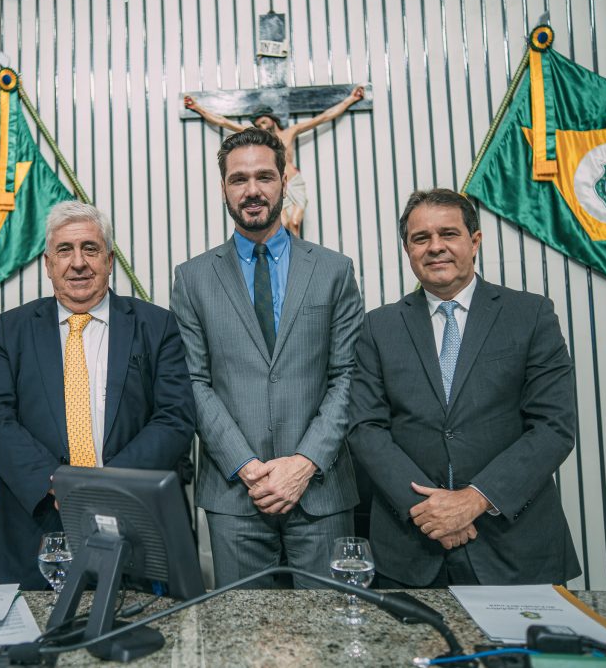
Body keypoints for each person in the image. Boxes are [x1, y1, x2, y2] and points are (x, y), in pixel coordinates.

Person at [350, 188, 581, 587]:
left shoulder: (530, 315)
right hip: (411, 548)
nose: (435, 247)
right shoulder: (379, 326)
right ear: (407, 249)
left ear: (474, 241)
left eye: (448, 234)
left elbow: (553, 427)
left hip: (514, 546)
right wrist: (431, 510)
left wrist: (473, 500)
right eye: (421, 238)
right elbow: (365, 428)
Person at [170, 128, 363, 588]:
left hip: (321, 490)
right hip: (237, 496)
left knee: (331, 637)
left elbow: (348, 375)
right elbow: (194, 381)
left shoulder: (335, 270)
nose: (252, 190)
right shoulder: (192, 278)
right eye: (239, 179)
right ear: (223, 189)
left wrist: (305, 462)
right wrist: (247, 466)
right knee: (244, 643)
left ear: (283, 183)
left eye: (264, 177)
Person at [0, 201, 197, 589]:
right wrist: (57, 483)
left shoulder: (156, 325)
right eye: (65, 250)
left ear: (109, 260)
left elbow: (175, 417)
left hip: (134, 523)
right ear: (48, 264)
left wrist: (105, 486)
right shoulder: (12, 329)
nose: (78, 262)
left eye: (90, 249)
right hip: (35, 530)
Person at [184, 85, 365, 236]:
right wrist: (197, 108)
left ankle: (297, 260)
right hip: (273, 185)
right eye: (259, 124)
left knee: (294, 222)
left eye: (264, 122)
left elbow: (323, 117)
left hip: (293, 182)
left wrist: (351, 99)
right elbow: (222, 121)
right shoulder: (257, 137)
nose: (262, 126)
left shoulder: (289, 133)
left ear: (272, 120)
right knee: (284, 223)